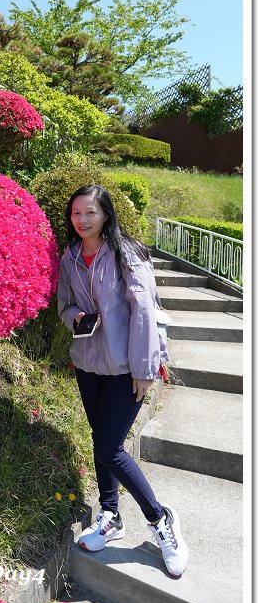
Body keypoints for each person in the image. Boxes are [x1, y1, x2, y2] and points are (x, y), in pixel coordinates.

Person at [57, 184, 189, 578]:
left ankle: (161, 520)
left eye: (91, 213)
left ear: (106, 215)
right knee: (102, 441)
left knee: (110, 448)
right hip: (88, 363)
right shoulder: (70, 257)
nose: (82, 220)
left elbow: (145, 311)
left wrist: (145, 368)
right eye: (76, 213)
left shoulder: (125, 252)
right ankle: (111, 515)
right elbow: (64, 303)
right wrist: (76, 317)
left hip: (127, 366)